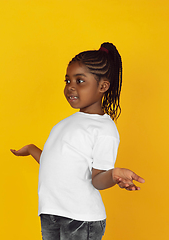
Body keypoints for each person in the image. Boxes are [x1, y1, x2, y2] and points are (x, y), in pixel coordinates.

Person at [10, 42, 145, 240]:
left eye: (80, 81)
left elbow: (98, 180)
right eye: (67, 81)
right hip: (51, 213)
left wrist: (114, 174)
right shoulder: (65, 123)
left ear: (103, 86)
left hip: (81, 219)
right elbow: (56, 163)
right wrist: (32, 149)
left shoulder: (104, 129)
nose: (70, 87)